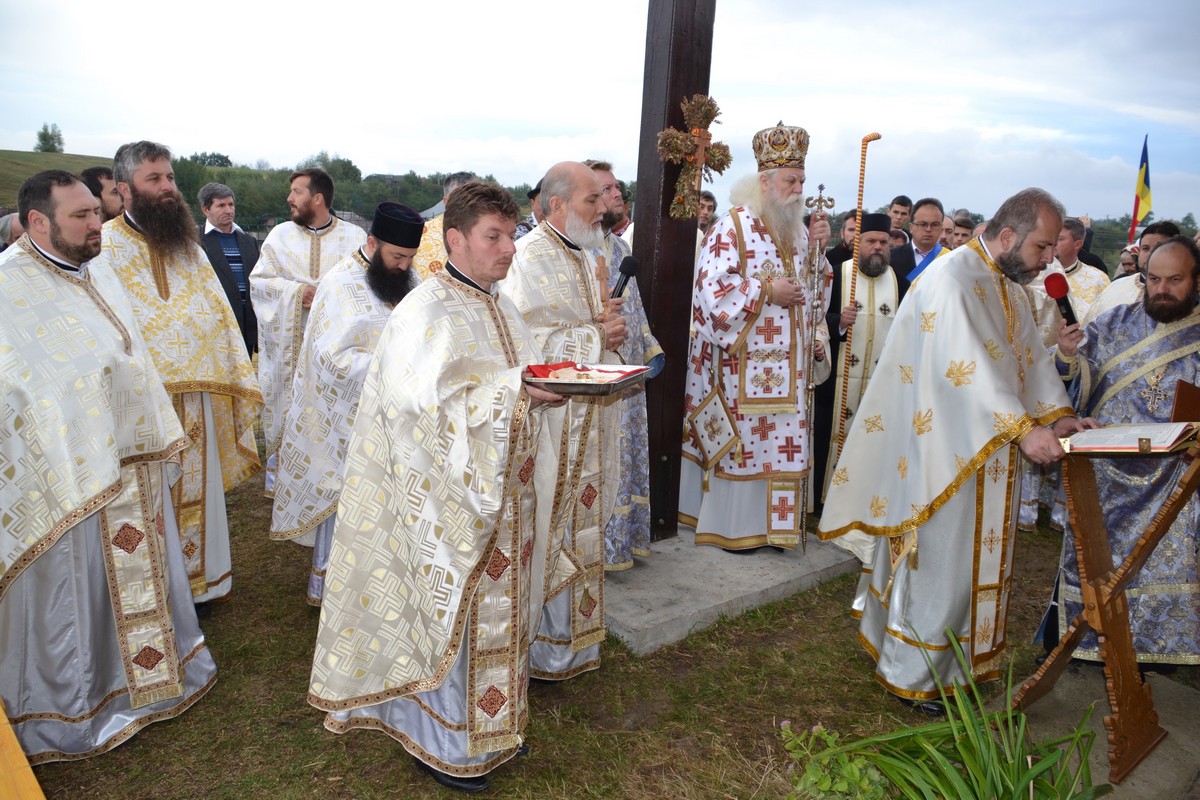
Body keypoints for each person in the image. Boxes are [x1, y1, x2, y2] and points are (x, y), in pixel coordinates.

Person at [309, 181, 570, 794]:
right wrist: (514, 393)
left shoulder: (501, 305)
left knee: (503, 611)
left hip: (507, 495)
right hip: (449, 506)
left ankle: (497, 725)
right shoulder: (425, 311)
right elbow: (419, 410)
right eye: (493, 236)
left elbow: (513, 379)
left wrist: (538, 387)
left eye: (511, 235)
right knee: (460, 612)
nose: (509, 247)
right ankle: (445, 740)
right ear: (455, 239)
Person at [818, 188, 1093, 714]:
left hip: (987, 447)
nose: (1048, 259)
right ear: (1008, 236)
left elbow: (1028, 359)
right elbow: (965, 368)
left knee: (971, 563)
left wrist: (1057, 415)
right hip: (941, 450)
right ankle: (916, 671)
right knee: (942, 562)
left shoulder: (1009, 286)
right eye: (1041, 247)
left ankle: (960, 664)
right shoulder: (951, 279)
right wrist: (1024, 430)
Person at [0, 171, 217, 762]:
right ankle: (80, 706)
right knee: (75, 594)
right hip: (63, 486)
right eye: (81, 216)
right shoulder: (9, 288)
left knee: (137, 572)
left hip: (129, 465)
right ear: (37, 222)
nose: (97, 225)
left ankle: (152, 682)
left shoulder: (96, 271)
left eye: (97, 212)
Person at [95, 141, 263, 604]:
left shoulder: (189, 247)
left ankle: (200, 586)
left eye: (169, 177)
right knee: (144, 500)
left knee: (196, 493)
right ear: (124, 189)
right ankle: (151, 592)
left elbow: (218, 315)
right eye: (154, 179)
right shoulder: (103, 248)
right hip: (136, 403)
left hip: (196, 397)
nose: (167, 187)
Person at [679, 122, 833, 552]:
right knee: (746, 444)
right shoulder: (731, 227)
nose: (799, 190)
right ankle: (732, 529)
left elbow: (814, 296)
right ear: (765, 182)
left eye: (801, 181)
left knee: (781, 442)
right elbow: (711, 293)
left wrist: (820, 255)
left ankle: (776, 530)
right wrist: (767, 291)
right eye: (791, 181)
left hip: (789, 373)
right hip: (740, 370)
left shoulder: (798, 231)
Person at [1050, 235, 1200, 666]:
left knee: (1162, 560)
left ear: (1195, 281)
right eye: (1153, 279)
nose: (1162, 289)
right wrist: (1066, 355)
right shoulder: (1113, 323)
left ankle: (1150, 656)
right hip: (1105, 472)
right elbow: (1072, 383)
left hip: (1173, 478)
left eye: (1174, 280)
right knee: (1092, 560)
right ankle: (1084, 647)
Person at [270, 203, 424, 605]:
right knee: (351, 500)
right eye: (397, 256)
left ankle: (387, 584)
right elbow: (330, 360)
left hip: (397, 415)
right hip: (345, 419)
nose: (404, 265)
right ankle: (337, 588)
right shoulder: (339, 283)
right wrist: (395, 366)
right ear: (372, 243)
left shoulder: (410, 279)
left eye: (410, 257)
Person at [506, 161, 624, 678]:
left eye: (601, 198)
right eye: (590, 200)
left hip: (588, 421)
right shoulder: (528, 258)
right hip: (551, 422)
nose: (602, 209)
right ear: (557, 205)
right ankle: (543, 647)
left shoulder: (584, 253)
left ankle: (576, 644)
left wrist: (605, 331)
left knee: (583, 521)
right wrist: (596, 337)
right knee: (550, 526)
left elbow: (582, 327)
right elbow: (523, 345)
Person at [251, 167, 366, 493]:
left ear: (317, 198)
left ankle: (334, 486)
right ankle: (287, 485)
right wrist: (296, 293)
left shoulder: (354, 238)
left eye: (297, 192)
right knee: (291, 411)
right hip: (289, 355)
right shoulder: (279, 236)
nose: (289, 198)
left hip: (334, 353)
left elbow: (365, 290)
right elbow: (259, 283)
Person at [585, 159, 664, 570]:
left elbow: (634, 308)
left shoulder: (620, 249)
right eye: (608, 189)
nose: (617, 194)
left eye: (617, 188)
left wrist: (648, 348)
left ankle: (621, 543)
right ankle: (592, 549)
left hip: (628, 373)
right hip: (594, 374)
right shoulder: (578, 251)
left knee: (625, 458)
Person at [814, 213, 907, 504]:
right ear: (858, 243)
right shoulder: (836, 275)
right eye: (871, 241)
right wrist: (838, 322)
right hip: (837, 386)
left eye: (884, 242)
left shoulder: (901, 284)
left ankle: (864, 500)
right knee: (829, 439)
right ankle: (826, 499)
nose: (878, 247)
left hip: (881, 386)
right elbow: (816, 320)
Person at [198, 182, 260, 357]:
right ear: (205, 210)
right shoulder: (195, 241)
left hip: (246, 326)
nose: (228, 210)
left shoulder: (249, 241)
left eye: (231, 204)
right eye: (221, 205)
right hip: (213, 326)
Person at [411, 171, 476, 280]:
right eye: (460, 199)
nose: (467, 205)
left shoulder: (492, 236)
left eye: (473, 199)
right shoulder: (419, 234)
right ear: (446, 201)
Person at [890, 197, 947, 281]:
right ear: (911, 227)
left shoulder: (949, 259)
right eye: (922, 224)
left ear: (941, 228)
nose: (928, 229)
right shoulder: (891, 258)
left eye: (935, 225)